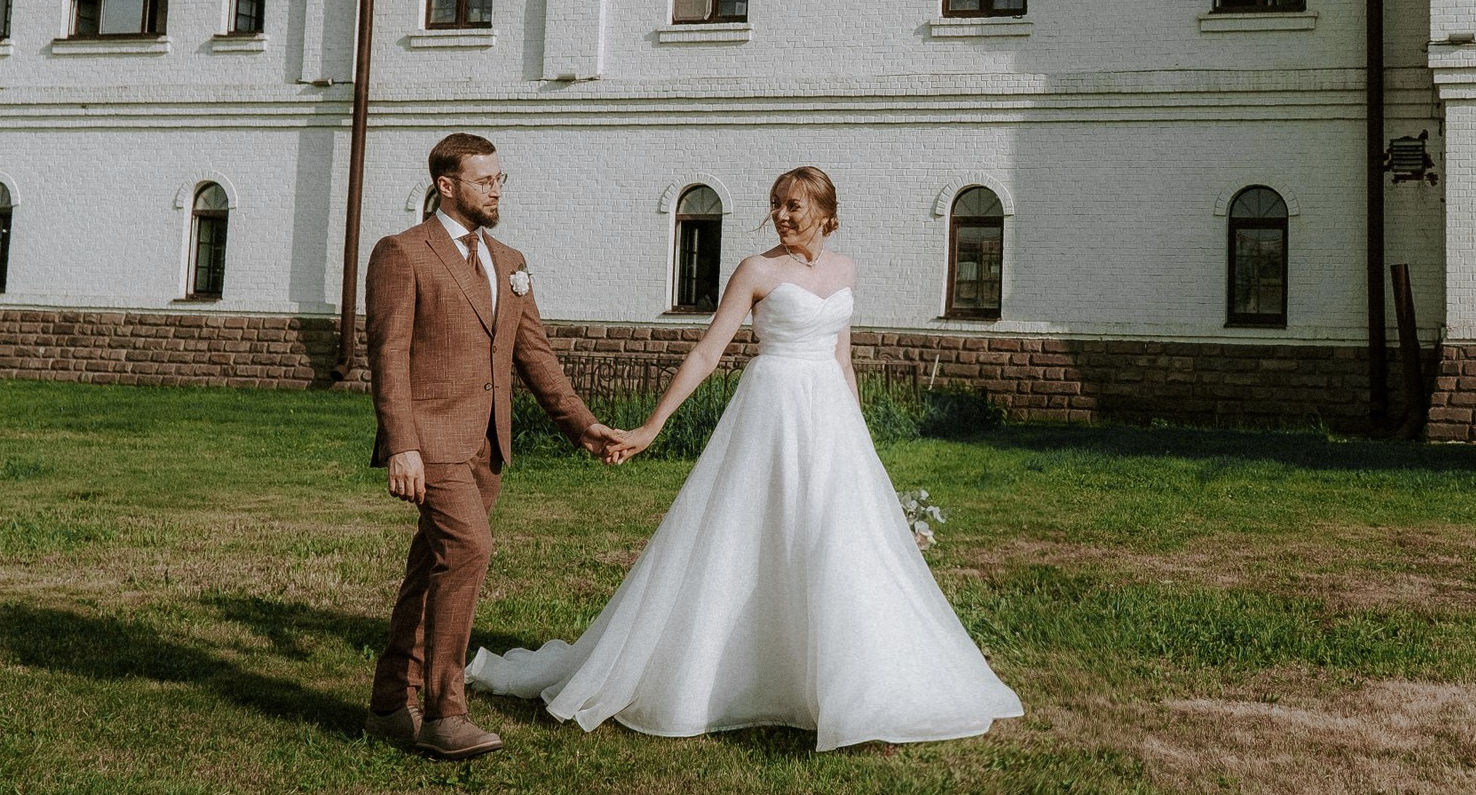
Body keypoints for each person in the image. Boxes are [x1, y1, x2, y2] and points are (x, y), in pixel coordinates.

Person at [467, 166, 1023, 750]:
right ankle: (726, 675)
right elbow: (708, 354)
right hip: (771, 413)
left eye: (795, 208)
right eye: (776, 206)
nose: (782, 216)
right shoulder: (757, 271)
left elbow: (842, 359)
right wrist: (653, 425)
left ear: (827, 216)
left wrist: (858, 439)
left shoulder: (845, 271)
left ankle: (854, 685)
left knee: (839, 543)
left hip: (831, 423)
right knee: (748, 536)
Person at [364, 131, 620, 761]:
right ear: (447, 186)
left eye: (500, 178)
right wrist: (403, 445)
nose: (497, 188)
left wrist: (582, 425)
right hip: (430, 441)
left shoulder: (509, 261)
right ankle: (445, 712)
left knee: (432, 568)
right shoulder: (403, 253)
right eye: (485, 180)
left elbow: (535, 355)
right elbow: (388, 353)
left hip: (487, 446)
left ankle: (390, 705)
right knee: (470, 550)